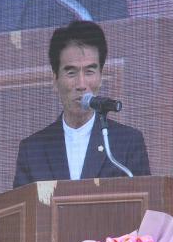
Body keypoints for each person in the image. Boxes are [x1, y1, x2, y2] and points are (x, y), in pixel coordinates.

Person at [13, 20, 150, 188]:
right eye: (71, 73)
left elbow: (145, 207)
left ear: (100, 77)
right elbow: (23, 212)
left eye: (90, 72)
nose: (81, 84)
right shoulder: (32, 150)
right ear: (55, 79)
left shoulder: (127, 142)